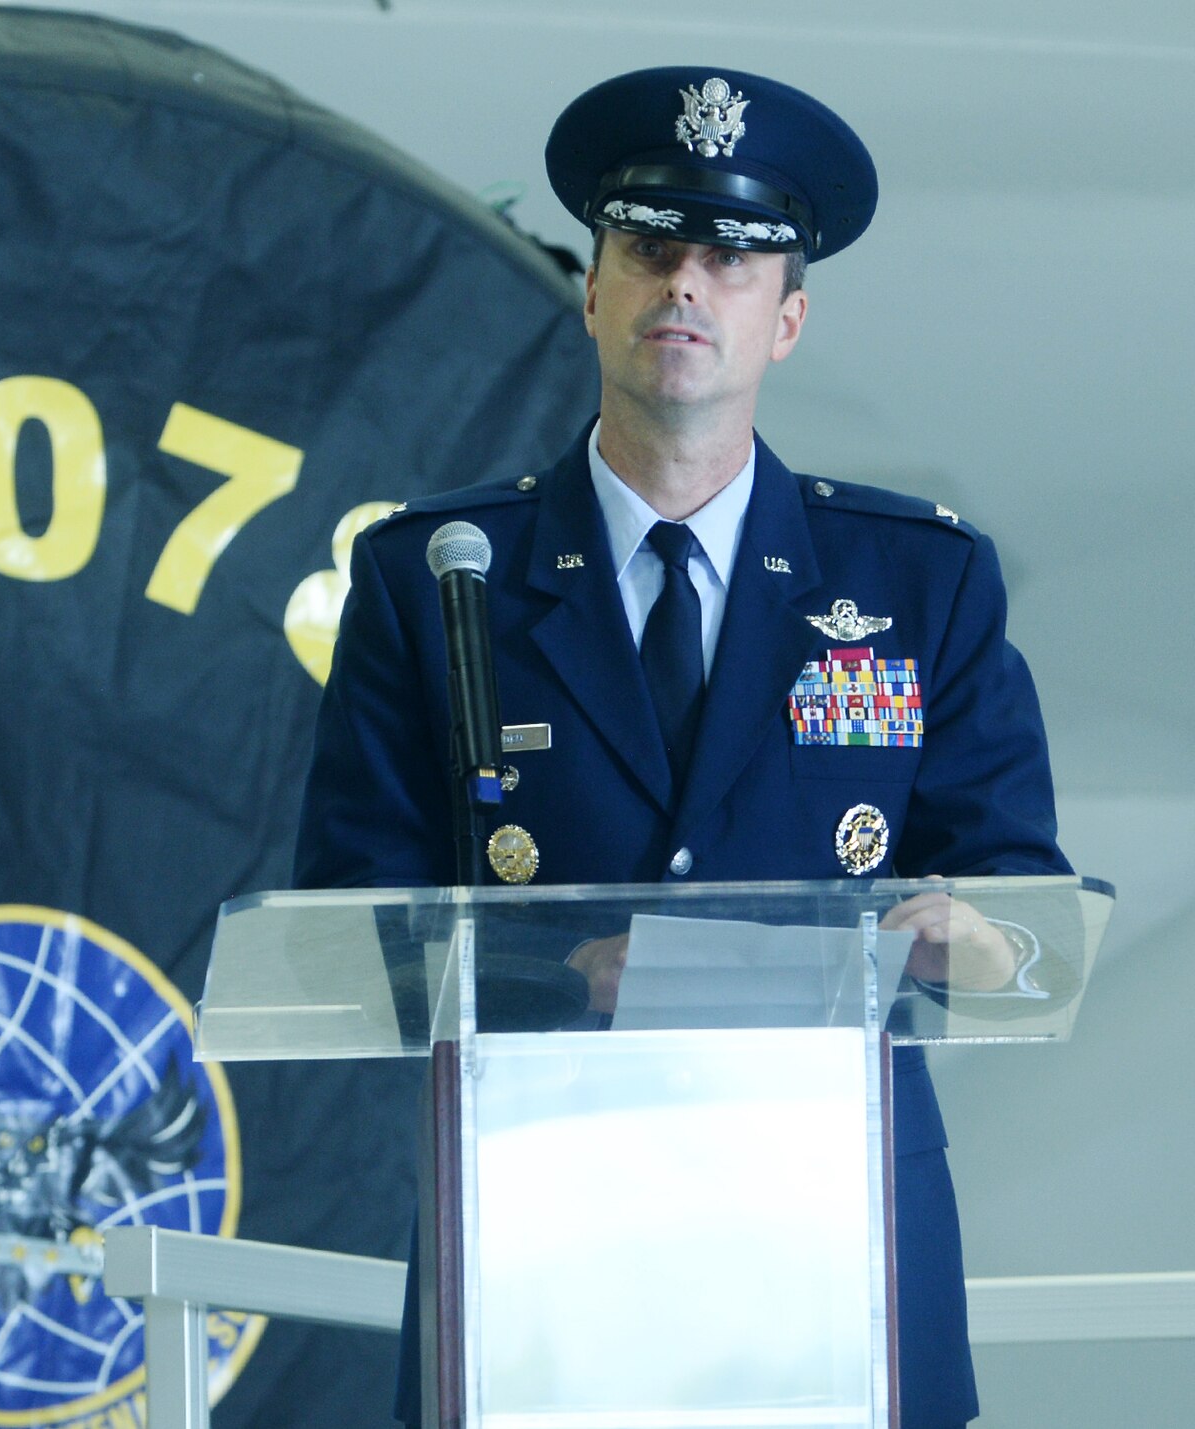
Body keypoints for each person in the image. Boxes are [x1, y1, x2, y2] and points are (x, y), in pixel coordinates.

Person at [293, 67, 1070, 1428]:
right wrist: (555, 967)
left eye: (731, 261)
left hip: (834, 1222)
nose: (685, 287)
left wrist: (970, 933)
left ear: (789, 321)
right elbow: (351, 925)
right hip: (544, 1211)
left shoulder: (917, 583)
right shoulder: (438, 578)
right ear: (592, 290)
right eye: (649, 249)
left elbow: (1023, 903)